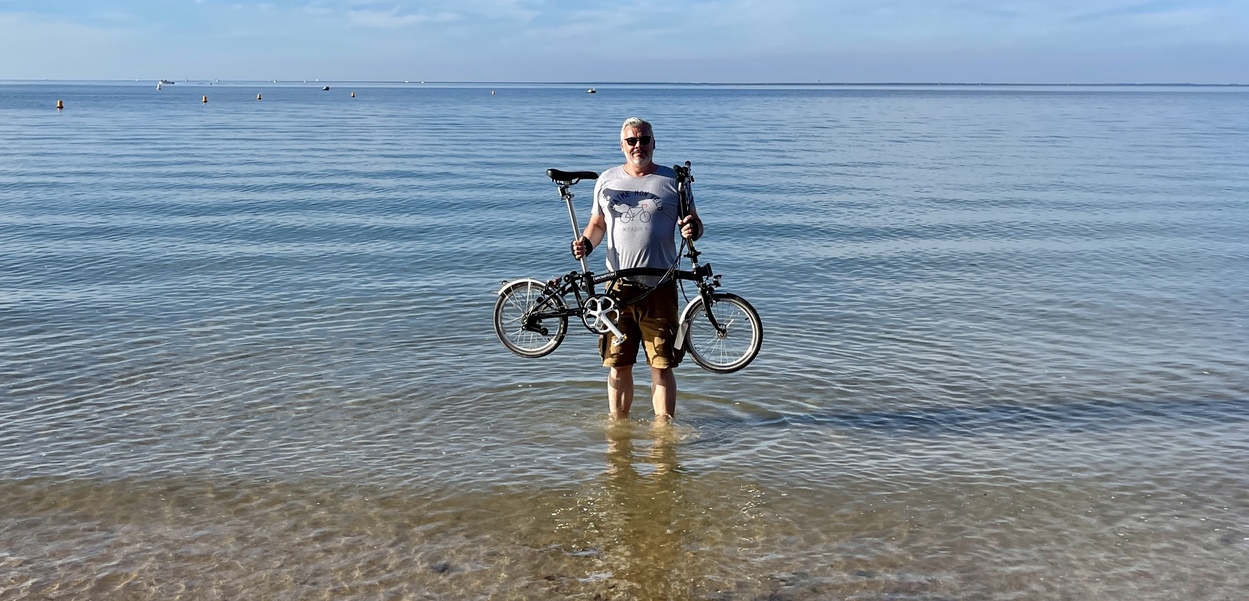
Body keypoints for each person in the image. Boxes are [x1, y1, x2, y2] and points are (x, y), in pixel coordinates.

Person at [571, 117, 703, 424]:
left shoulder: (673, 181)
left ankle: (663, 434)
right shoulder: (607, 180)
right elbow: (597, 224)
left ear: (654, 143)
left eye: (644, 140)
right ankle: (618, 434)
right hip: (617, 290)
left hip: (660, 286)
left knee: (662, 365)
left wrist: (692, 230)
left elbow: (695, 223)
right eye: (631, 141)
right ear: (622, 146)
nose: (638, 146)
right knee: (618, 365)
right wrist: (585, 245)